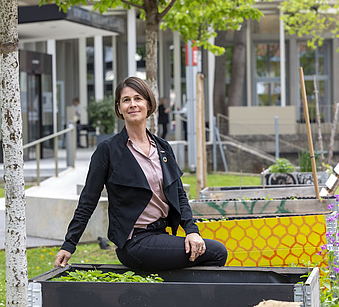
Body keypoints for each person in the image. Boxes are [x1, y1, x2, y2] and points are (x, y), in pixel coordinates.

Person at [54, 76, 227, 271]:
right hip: (135, 242)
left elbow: (179, 195)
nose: (132, 104)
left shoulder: (162, 147)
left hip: (161, 235)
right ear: (119, 108)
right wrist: (69, 244)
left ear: (148, 104)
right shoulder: (108, 150)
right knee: (217, 252)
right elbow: (88, 200)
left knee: (203, 250)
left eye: (138, 98)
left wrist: (192, 232)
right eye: (126, 100)